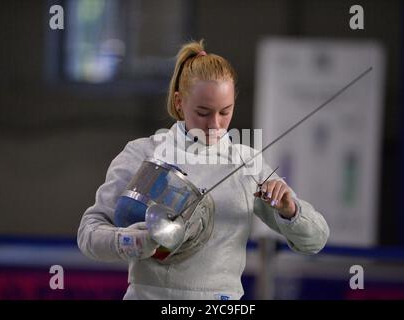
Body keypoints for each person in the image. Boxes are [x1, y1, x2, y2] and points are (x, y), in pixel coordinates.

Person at [77, 39, 329, 300]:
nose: (215, 124)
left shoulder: (246, 164)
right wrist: (132, 242)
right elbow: (89, 234)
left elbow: (316, 240)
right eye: (203, 112)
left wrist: (291, 211)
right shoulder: (143, 153)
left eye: (225, 112)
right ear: (179, 103)